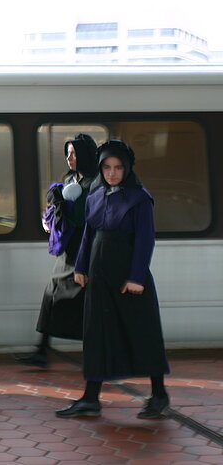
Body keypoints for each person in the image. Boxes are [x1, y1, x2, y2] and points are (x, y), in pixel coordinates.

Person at [56, 140, 170, 419]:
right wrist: (80, 267)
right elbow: (88, 235)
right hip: (99, 274)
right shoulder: (95, 196)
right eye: (106, 167)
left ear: (127, 168)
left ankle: (159, 395)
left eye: (118, 167)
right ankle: (90, 398)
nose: (112, 173)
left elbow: (145, 240)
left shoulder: (140, 198)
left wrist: (137, 277)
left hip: (129, 276)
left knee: (143, 334)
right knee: (97, 335)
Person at [16, 133, 97, 368]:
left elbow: (84, 217)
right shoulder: (72, 178)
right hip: (68, 251)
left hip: (85, 250)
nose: (69, 158)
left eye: (73, 153)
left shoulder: (95, 182)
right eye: (68, 153)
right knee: (51, 294)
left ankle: (95, 353)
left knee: (86, 305)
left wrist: (63, 209)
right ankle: (42, 349)